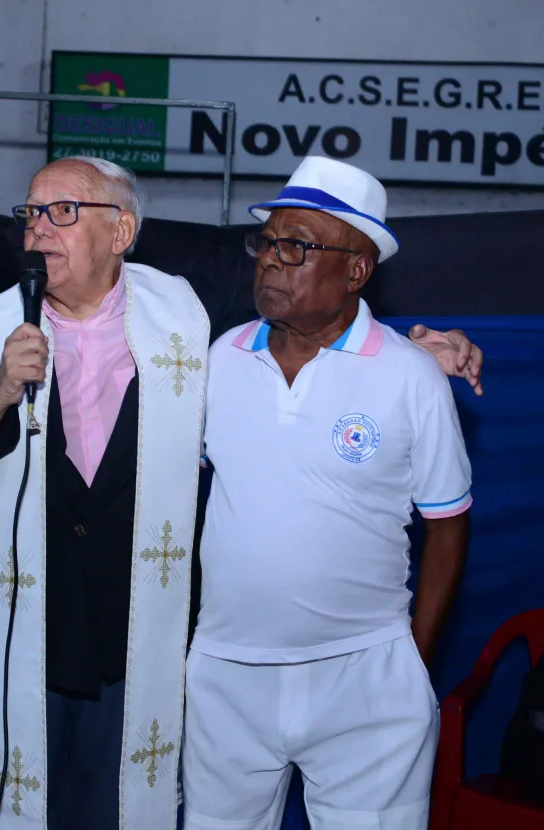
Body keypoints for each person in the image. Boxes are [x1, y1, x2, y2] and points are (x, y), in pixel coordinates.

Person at [0, 156, 482, 829]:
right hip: (16, 647)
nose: (39, 229)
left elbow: (315, 322)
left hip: (136, 655)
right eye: (31, 213)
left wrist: (419, 352)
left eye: (63, 211)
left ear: (122, 231)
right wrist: (1, 394)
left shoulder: (188, 320)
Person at [182, 156, 474, 830]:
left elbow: (449, 526)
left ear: (356, 271)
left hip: (366, 680)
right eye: (268, 242)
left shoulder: (410, 378)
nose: (272, 261)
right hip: (228, 676)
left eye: (298, 245)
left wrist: (414, 661)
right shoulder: (220, 359)